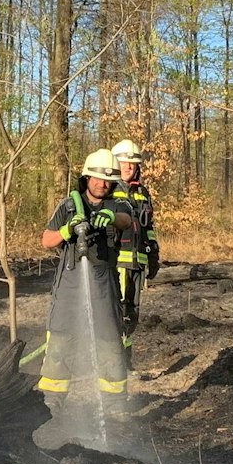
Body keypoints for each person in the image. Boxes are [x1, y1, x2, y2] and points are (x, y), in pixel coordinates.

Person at [37, 148, 139, 409]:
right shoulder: (69, 205)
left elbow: (127, 220)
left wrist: (112, 218)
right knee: (59, 348)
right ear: (86, 178)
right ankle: (51, 408)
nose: (102, 184)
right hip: (69, 284)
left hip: (104, 285)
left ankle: (116, 410)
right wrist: (66, 229)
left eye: (107, 181)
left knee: (110, 348)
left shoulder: (118, 204)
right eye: (97, 179)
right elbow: (47, 240)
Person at [108, 139, 159, 340]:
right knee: (115, 309)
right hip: (117, 262)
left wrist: (153, 254)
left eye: (133, 163)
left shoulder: (143, 194)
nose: (128, 167)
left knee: (132, 312)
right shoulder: (109, 191)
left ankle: (126, 361)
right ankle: (114, 361)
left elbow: (148, 228)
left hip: (138, 263)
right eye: (123, 162)